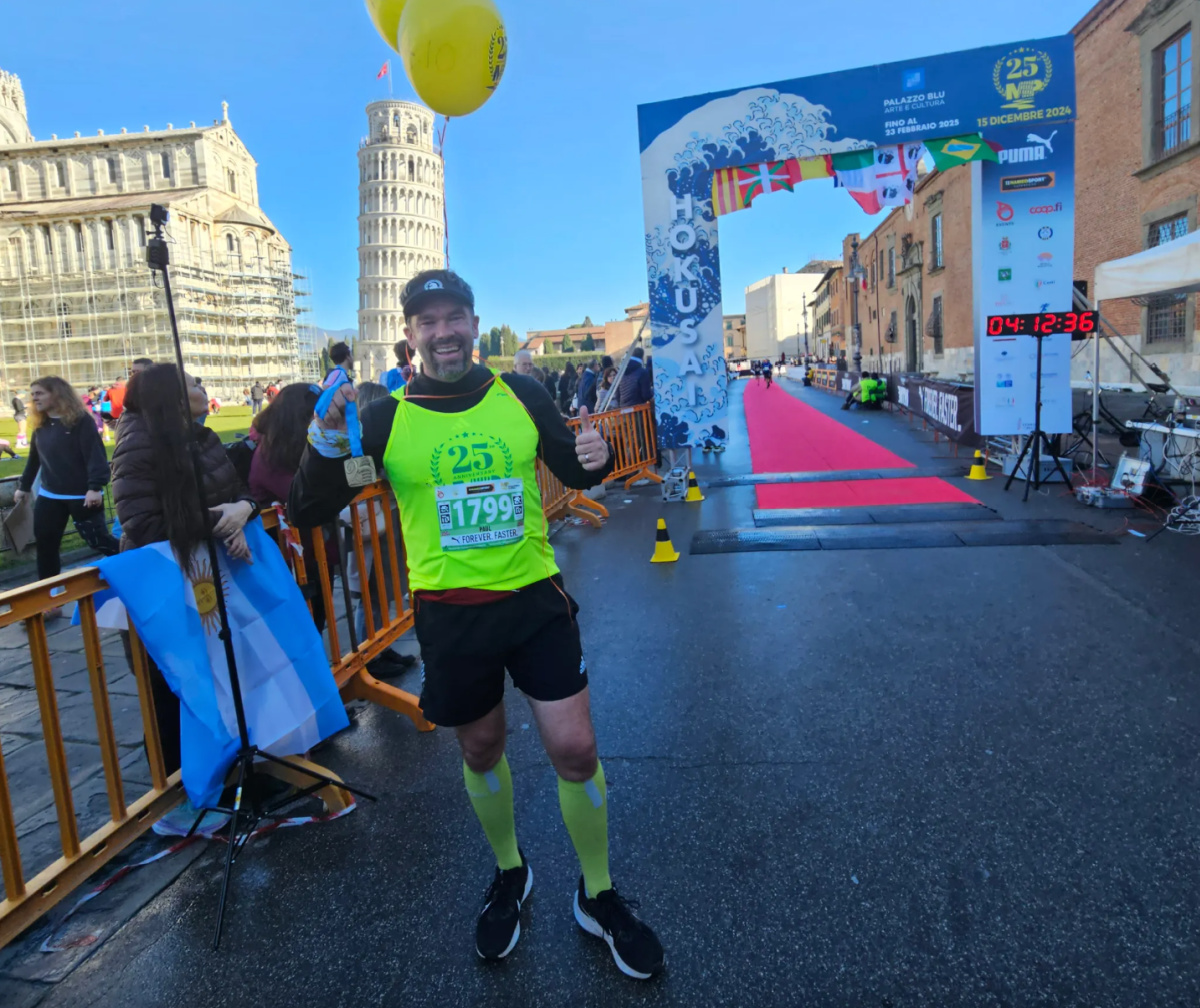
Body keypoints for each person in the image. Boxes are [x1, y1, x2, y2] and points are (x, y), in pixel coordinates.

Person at [289, 269, 663, 978]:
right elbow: (309, 509)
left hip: (534, 602)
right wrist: (323, 441)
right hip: (452, 618)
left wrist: (600, 455)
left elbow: (575, 470)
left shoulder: (519, 394)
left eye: (454, 316)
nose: (444, 332)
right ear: (411, 335)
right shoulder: (384, 420)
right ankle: (509, 872)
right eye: (427, 321)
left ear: (473, 321)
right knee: (482, 750)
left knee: (576, 749)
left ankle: (598, 892)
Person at [112, 363, 257, 832]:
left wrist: (243, 509)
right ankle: (185, 791)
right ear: (172, 398)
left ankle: (231, 767)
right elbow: (144, 524)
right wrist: (222, 521)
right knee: (174, 684)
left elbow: (239, 491)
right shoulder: (138, 443)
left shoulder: (204, 437)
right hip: (166, 587)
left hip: (212, 581)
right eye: (193, 384)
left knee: (221, 672)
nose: (202, 388)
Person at [14, 376, 120, 587]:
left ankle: (138, 563)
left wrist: (95, 488)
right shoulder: (41, 425)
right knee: (46, 545)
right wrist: (24, 487)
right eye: (32, 394)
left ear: (58, 394)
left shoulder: (81, 421)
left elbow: (95, 456)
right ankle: (50, 597)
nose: (34, 398)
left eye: (39, 393)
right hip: (49, 496)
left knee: (98, 541)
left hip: (82, 496)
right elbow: (35, 459)